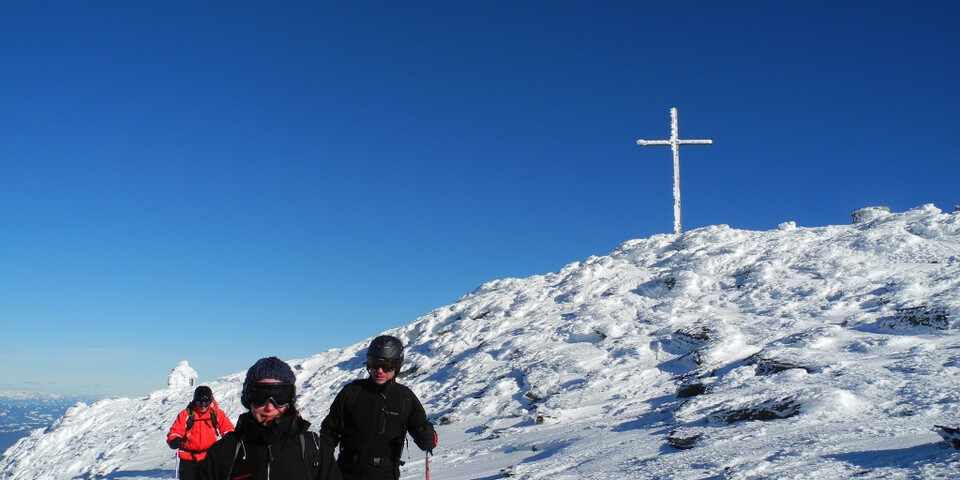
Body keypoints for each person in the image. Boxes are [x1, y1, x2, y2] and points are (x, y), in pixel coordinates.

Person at [198, 356, 341, 480]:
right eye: (260, 396)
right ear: (248, 399)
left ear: (291, 400)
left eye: (280, 396)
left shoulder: (314, 449)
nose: (270, 407)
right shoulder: (225, 452)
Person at [320, 335, 437, 480]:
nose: (379, 370)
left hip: (386, 474)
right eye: (374, 363)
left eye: (387, 365)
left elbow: (423, 431)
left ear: (397, 366)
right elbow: (328, 432)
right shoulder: (352, 392)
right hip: (346, 473)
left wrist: (427, 438)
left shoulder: (405, 398)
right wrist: (325, 466)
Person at [167, 385, 235, 480]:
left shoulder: (215, 414)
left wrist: (230, 440)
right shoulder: (187, 414)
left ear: (210, 402)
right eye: (199, 402)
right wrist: (174, 440)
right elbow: (175, 431)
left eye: (206, 403)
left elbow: (227, 429)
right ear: (195, 401)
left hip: (208, 457)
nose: (203, 406)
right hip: (188, 459)